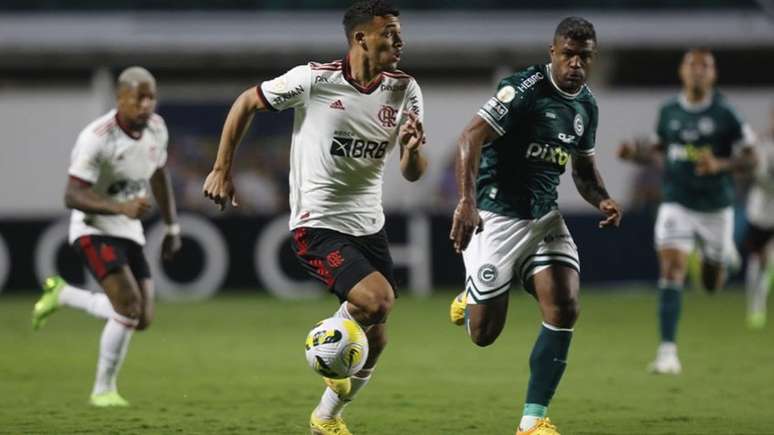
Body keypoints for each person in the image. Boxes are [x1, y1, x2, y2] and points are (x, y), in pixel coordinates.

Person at [201, 2, 427, 434]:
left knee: (376, 339)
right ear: (361, 38)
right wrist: (221, 168)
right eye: (390, 33)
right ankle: (330, 337)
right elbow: (247, 101)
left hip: (369, 225)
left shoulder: (404, 89)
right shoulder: (314, 80)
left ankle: (326, 418)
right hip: (318, 223)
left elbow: (413, 173)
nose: (400, 42)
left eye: (400, 34)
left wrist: (413, 150)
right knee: (378, 301)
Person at [448, 17, 622, 435]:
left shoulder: (586, 105)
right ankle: (473, 293)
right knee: (483, 334)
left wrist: (602, 198)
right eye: (569, 54)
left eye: (585, 56)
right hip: (496, 216)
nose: (576, 64)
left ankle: (532, 420)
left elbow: (582, 169)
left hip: (544, 219)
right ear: (553, 52)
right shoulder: (523, 89)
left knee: (565, 306)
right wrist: (467, 203)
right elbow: (470, 137)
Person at [31, 66, 182, 406]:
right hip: (93, 228)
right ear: (120, 99)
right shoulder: (97, 137)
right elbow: (71, 195)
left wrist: (172, 227)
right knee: (128, 306)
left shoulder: (157, 129)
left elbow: (159, 174)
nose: (146, 104)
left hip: (129, 229)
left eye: (151, 97)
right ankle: (103, 390)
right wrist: (120, 208)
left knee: (142, 318)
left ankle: (64, 295)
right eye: (138, 97)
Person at [618, 48, 757, 373]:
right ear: (682, 72)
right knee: (671, 269)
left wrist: (721, 163)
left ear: (713, 74)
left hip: (715, 207)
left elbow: (752, 159)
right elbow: (657, 153)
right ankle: (668, 353)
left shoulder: (726, 114)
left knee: (711, 285)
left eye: (704, 66)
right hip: (676, 202)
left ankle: (723, 256)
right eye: (692, 65)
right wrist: (633, 154)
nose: (698, 71)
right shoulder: (669, 111)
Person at [744, 105, 774, 329]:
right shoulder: (760, 145)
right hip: (758, 210)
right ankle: (752, 304)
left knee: (770, 259)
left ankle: (759, 305)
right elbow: (752, 172)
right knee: (756, 259)